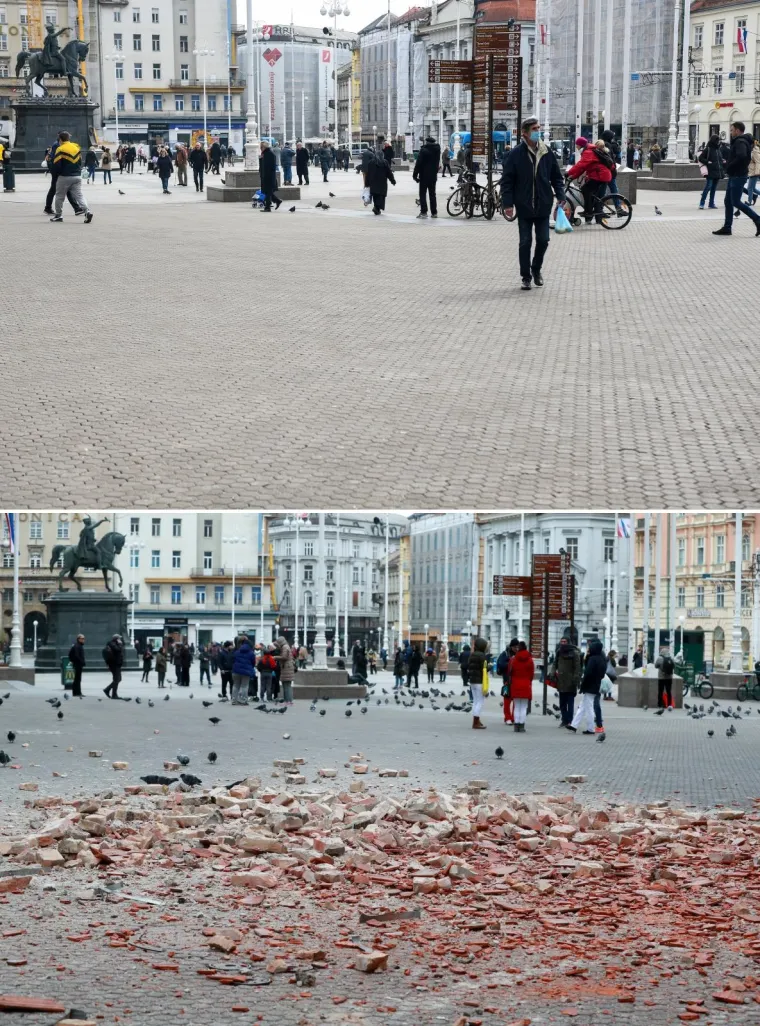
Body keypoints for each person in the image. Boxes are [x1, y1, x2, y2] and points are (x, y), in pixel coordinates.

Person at [501, 118, 565, 290]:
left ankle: (536, 269)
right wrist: (507, 204)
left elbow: (557, 178)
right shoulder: (515, 154)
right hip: (524, 206)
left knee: (543, 240)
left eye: (539, 128)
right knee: (525, 242)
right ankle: (526, 276)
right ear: (525, 133)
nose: (539, 131)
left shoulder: (546, 152)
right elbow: (506, 182)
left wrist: (561, 196)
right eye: (535, 129)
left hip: (543, 205)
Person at [712, 122, 760, 236]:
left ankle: (757, 219)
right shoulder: (742, 141)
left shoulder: (740, 141)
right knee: (728, 201)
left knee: (736, 202)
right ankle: (727, 227)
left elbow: (742, 156)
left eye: (732, 130)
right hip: (735, 175)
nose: (731, 132)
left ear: (738, 131)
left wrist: (729, 166)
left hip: (738, 175)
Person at [567, 137, 613, 226]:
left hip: (600, 176)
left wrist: (568, 173)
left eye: (577, 145)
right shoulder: (588, 151)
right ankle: (590, 213)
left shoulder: (588, 152)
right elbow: (583, 168)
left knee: (585, 189)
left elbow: (580, 165)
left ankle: (588, 212)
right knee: (591, 194)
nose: (576, 147)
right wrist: (572, 177)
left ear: (580, 145)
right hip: (598, 175)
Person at [50, 132, 93, 224]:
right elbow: (80, 162)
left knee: (59, 196)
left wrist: (57, 174)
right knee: (79, 195)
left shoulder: (60, 149)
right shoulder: (76, 147)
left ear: (60, 139)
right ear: (68, 139)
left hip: (65, 176)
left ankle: (58, 215)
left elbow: (57, 165)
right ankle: (87, 211)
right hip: (77, 176)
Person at [568, 638, 606, 734]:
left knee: (588, 707)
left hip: (590, 685)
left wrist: (582, 685)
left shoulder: (593, 659)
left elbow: (587, 673)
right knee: (583, 706)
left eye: (591, 647)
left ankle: (591, 728)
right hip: (596, 684)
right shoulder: (602, 659)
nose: (589, 649)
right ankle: (574, 725)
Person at [549, 636, 581, 728]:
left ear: (568, 642)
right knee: (562, 703)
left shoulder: (574, 652)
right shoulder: (559, 651)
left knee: (570, 703)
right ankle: (564, 720)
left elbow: (577, 667)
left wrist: (575, 678)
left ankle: (569, 721)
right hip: (561, 681)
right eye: (561, 641)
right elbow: (555, 663)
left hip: (571, 681)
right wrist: (552, 672)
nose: (563, 643)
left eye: (565, 641)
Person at [508, 641, 534, 733]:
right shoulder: (530, 660)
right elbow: (531, 675)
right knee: (523, 707)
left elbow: (510, 672)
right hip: (526, 684)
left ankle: (516, 726)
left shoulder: (514, 659)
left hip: (515, 684)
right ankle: (522, 726)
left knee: (516, 706)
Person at [413, 135, 441, 219]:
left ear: (427, 142)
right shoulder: (437, 150)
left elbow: (418, 163)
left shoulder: (423, 150)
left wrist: (415, 175)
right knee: (432, 194)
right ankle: (434, 212)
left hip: (424, 176)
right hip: (433, 176)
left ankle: (424, 212)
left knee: (422, 194)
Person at [365, 143, 396, 215]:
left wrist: (367, 183)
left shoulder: (371, 162)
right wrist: (393, 181)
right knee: (381, 196)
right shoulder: (385, 162)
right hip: (382, 183)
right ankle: (377, 208)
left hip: (373, 183)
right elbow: (389, 173)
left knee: (375, 196)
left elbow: (368, 174)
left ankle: (376, 207)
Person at [467, 636, 489, 729]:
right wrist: (490, 667)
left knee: (476, 701)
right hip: (479, 681)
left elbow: (469, 666)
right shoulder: (482, 656)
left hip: (472, 681)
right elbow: (484, 668)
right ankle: (475, 722)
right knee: (480, 702)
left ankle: (476, 720)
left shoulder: (472, 655)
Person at [697, 135, 723, 210]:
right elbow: (700, 158)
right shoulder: (708, 149)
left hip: (717, 172)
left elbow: (719, 160)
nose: (718, 142)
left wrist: (722, 162)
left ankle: (711, 203)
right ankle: (702, 203)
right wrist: (707, 162)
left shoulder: (718, 149)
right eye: (717, 140)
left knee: (713, 189)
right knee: (708, 187)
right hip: (710, 171)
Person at [230, 635, 255, 705]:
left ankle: (234, 700)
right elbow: (253, 663)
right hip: (246, 672)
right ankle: (243, 700)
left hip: (236, 671)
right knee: (244, 686)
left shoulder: (237, 652)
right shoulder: (251, 653)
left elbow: (233, 660)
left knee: (235, 685)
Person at [258, 140, 281, 212]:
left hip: (268, 176)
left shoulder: (269, 154)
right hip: (265, 175)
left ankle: (268, 207)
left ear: (264, 147)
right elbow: (262, 165)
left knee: (267, 191)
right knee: (267, 191)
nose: (260, 148)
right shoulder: (265, 154)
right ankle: (277, 201)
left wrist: (267, 174)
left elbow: (271, 166)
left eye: (261, 147)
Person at [273, 636, 295, 704]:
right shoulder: (286, 646)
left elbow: (284, 657)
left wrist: (275, 657)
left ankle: (288, 701)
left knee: (287, 685)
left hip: (286, 668)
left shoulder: (285, 647)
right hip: (286, 667)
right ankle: (287, 700)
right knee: (286, 684)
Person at [103, 634, 124, 699]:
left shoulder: (114, 643)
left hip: (116, 664)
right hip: (114, 664)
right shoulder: (112, 644)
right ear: (116, 639)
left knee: (118, 679)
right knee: (117, 679)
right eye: (119, 639)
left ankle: (110, 692)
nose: (120, 640)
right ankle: (111, 692)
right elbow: (118, 650)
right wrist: (120, 644)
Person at [68, 634, 86, 698]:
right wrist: (81, 661)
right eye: (82, 638)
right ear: (78, 639)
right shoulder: (77, 646)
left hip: (77, 664)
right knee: (77, 679)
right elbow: (77, 655)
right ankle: (77, 692)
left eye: (84, 638)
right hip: (78, 664)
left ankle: (76, 692)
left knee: (77, 679)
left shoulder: (78, 645)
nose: (83, 640)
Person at [746, 137, 760, 206]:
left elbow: (758, 162)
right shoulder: (752, 150)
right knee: (753, 188)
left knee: (750, 188)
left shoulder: (755, 151)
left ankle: (749, 201)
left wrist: (757, 172)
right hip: (752, 171)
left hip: (754, 171)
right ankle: (750, 200)